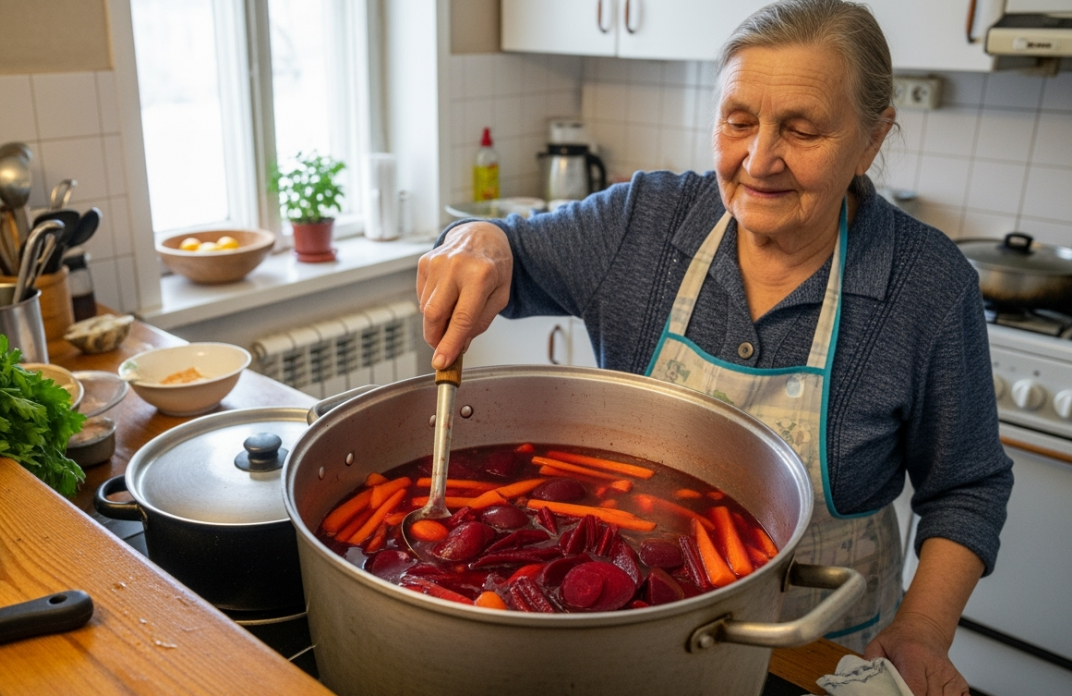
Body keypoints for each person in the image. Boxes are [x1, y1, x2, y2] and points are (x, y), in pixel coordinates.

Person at [416, 1, 1013, 694]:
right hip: (638, 631)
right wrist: (473, 241)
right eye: (738, 121)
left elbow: (967, 486)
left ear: (871, 141)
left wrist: (921, 632)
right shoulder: (644, 222)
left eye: (802, 129)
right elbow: (505, 255)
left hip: (817, 651)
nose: (760, 160)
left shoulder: (926, 285)